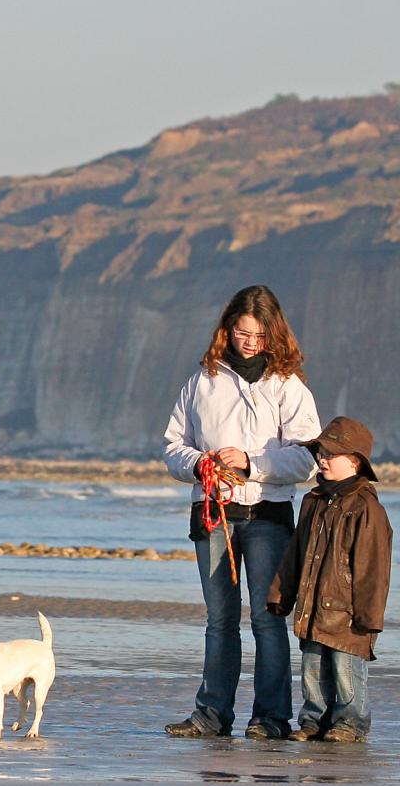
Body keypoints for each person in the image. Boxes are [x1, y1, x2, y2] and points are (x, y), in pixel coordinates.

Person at [163, 284, 320, 740]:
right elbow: (173, 446)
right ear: (227, 329)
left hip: (268, 516)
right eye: (242, 332)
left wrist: (250, 465)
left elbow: (308, 458)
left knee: (267, 620)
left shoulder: (289, 385)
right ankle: (211, 715)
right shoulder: (201, 381)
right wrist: (200, 464)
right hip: (212, 514)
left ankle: (270, 717)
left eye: (259, 334)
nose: (250, 342)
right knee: (219, 620)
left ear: (274, 334)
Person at [266, 417, 392, 743]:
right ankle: (313, 721)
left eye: (330, 454)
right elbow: (295, 553)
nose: (322, 459)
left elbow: (373, 569)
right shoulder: (313, 502)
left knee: (346, 672)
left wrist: (369, 616)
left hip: (349, 611)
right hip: (312, 603)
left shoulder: (367, 508)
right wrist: (281, 593)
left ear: (354, 461)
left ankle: (350, 723)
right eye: (320, 453)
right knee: (312, 668)